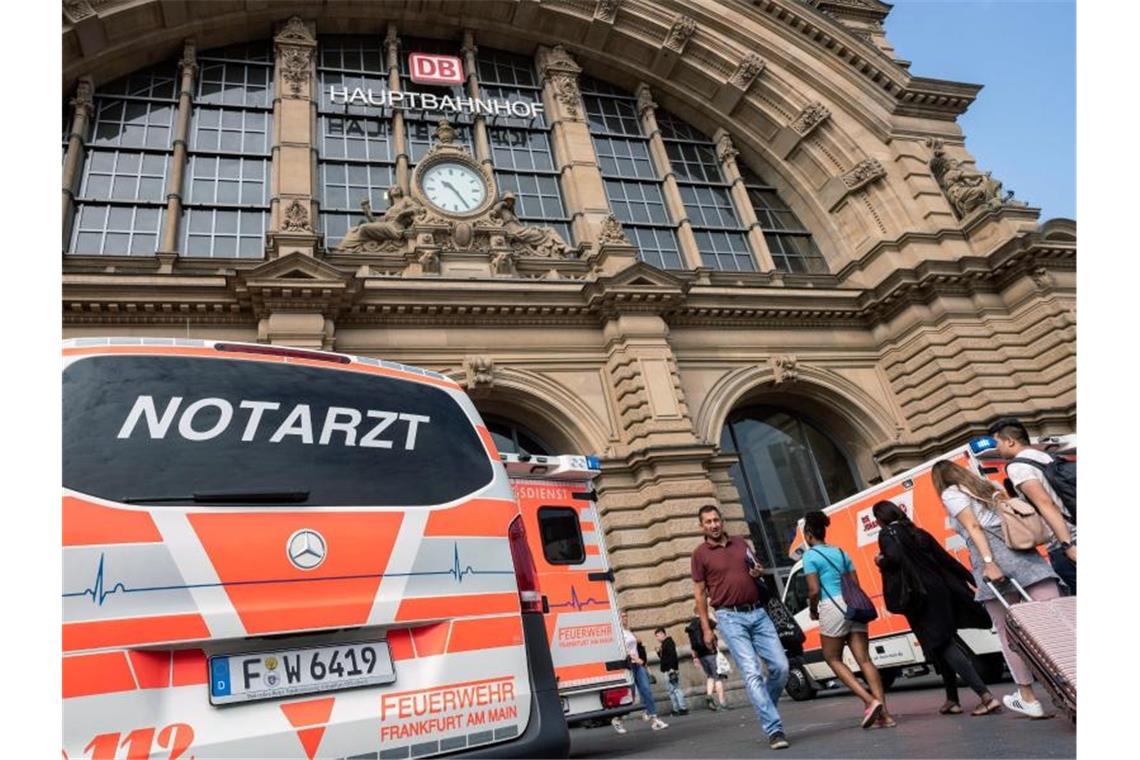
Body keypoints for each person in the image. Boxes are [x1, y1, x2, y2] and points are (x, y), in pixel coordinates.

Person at [932, 459, 1062, 719]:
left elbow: (973, 526)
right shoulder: (989, 486)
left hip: (994, 560)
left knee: (1008, 635)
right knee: (1056, 623)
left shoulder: (951, 493)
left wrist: (989, 562)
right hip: (1027, 556)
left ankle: (1028, 698)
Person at [872, 500, 1002, 717]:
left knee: (943, 645)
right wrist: (973, 582)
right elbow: (947, 561)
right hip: (941, 592)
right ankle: (952, 699)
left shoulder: (888, 534)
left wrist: (880, 560)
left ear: (880, 519)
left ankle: (985, 696)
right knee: (940, 643)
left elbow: (893, 558)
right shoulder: (918, 532)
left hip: (919, 597)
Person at [691, 505, 789, 750]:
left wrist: (757, 571)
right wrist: (706, 628)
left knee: (781, 667)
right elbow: (700, 595)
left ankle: (765, 705)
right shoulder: (700, 554)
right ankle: (774, 729)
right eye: (708, 522)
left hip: (758, 612)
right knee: (752, 672)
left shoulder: (740, 543)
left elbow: (756, 568)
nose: (713, 525)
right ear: (701, 526)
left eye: (716, 520)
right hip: (729, 618)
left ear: (722, 521)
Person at [802, 510, 895, 729]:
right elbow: (855, 584)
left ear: (808, 535)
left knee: (832, 658)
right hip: (854, 605)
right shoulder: (842, 553)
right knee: (865, 660)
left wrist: (813, 609)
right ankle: (886, 715)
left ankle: (869, 700)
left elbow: (814, 589)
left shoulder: (810, 556)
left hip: (832, 606)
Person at [988, 418, 1077, 594]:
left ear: (1010, 441)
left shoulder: (1018, 467)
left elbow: (1045, 504)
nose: (996, 448)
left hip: (1065, 542)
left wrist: (1068, 546)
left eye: (997, 442)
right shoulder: (1048, 457)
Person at [611, 611, 668, 734]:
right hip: (628, 666)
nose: (625, 618)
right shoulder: (618, 633)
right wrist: (633, 658)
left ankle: (654, 719)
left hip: (638, 665)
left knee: (646, 690)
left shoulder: (629, 631)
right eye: (622, 616)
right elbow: (620, 650)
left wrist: (641, 658)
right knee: (629, 696)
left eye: (626, 616)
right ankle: (618, 719)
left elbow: (638, 645)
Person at [685, 610, 728, 711]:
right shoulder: (705, 621)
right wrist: (710, 616)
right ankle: (722, 703)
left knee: (710, 676)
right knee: (718, 677)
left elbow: (692, 644)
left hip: (701, 655)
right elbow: (718, 625)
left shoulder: (692, 625)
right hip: (711, 652)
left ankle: (709, 695)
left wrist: (695, 657)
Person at [655, 628, 689, 716]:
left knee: (675, 689)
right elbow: (664, 658)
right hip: (668, 669)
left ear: (663, 634)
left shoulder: (668, 642)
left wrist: (672, 668)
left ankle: (681, 708)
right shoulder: (664, 644)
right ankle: (678, 709)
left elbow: (672, 656)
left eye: (657, 636)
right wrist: (659, 653)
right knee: (673, 690)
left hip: (670, 670)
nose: (657, 638)